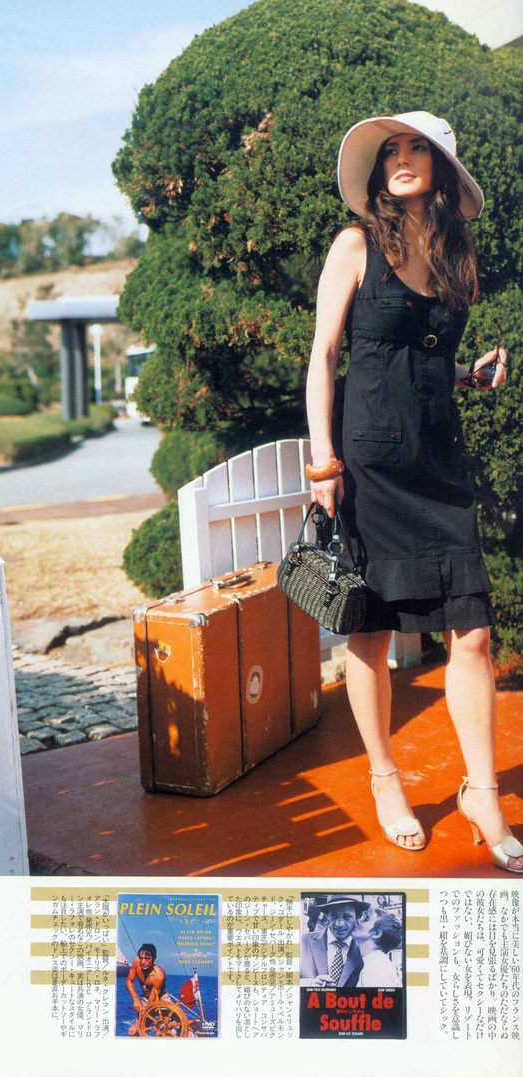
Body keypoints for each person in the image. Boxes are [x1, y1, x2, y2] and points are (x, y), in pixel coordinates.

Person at [305, 111, 522, 873]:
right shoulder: (355, 244)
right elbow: (326, 354)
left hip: (439, 460)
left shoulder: (457, 252)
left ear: (440, 168)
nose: (401, 159)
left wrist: (468, 373)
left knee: (473, 631)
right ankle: (385, 776)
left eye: (416, 149)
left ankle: (481, 793)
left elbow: (415, 357)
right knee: (372, 631)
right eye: (390, 150)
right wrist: (324, 462)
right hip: (372, 460)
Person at [300, 894, 368, 987]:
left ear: (357, 917)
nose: (339, 924)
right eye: (334, 916)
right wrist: (310, 984)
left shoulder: (365, 949)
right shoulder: (304, 942)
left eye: (346, 917)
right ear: (327, 916)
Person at [352, 905, 403, 988]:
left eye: (366, 919)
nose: (358, 921)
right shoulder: (374, 962)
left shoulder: (376, 967)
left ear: (376, 933)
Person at [125, 943, 168, 1035]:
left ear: (154, 958)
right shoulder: (136, 963)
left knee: (171, 1028)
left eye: (147, 959)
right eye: (141, 958)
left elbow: (150, 1004)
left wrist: (137, 1023)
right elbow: (129, 981)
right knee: (136, 1033)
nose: (143, 962)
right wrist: (136, 1000)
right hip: (146, 998)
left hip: (161, 998)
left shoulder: (158, 975)